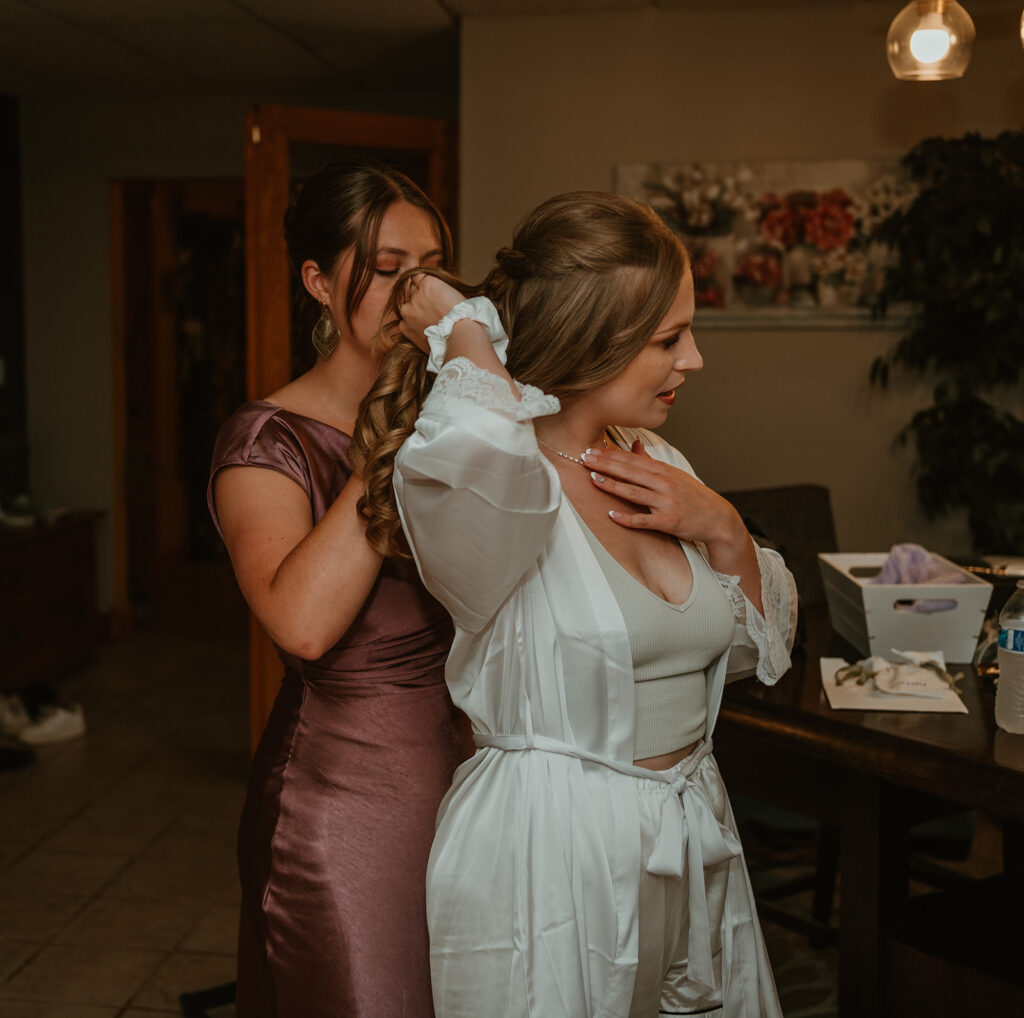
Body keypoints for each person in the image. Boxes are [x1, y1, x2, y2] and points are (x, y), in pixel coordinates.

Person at [353, 191, 798, 1018]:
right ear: (594, 342)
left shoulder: (655, 458)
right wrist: (462, 328)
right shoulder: (491, 486)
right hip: (550, 859)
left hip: (690, 833)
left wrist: (723, 526)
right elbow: (479, 445)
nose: (693, 360)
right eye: (670, 339)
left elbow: (743, 655)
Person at [207, 158, 472, 1018]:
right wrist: (394, 436)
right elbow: (304, 624)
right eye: (390, 270)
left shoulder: (460, 411)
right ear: (319, 282)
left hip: (472, 775)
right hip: (347, 798)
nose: (417, 295)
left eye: (431, 268)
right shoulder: (267, 442)